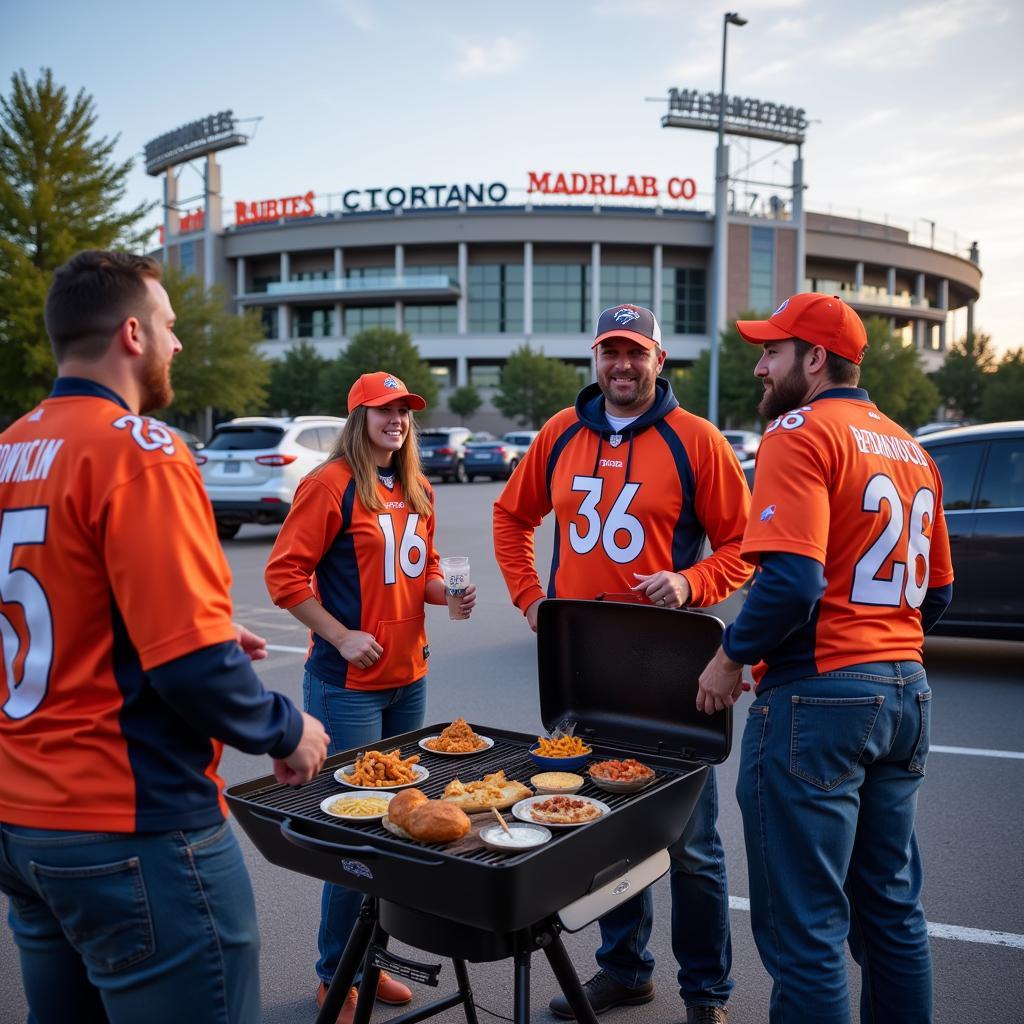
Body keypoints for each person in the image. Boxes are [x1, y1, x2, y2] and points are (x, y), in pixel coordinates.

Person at [0, 250, 329, 1024]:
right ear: (132, 335)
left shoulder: (11, 446)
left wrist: (203, 629)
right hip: (129, 825)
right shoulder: (138, 448)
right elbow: (190, 667)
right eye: (169, 325)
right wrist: (287, 730)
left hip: (23, 823)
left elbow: (72, 610)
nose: (177, 343)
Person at [696, 293, 954, 1024]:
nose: (759, 365)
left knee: (805, 928)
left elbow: (793, 578)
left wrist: (731, 655)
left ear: (814, 359)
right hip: (906, 690)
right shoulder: (914, 448)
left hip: (820, 697)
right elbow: (937, 595)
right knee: (892, 912)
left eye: (771, 351)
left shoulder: (798, 431)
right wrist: (884, 645)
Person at [493, 304, 751, 1024]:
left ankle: (706, 994)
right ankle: (624, 970)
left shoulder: (695, 441)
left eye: (635, 353)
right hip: (586, 670)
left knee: (692, 846)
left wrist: (691, 583)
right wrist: (531, 599)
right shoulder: (558, 433)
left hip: (674, 668)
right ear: (595, 359)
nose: (622, 366)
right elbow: (512, 518)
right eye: (611, 352)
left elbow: (744, 547)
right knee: (602, 829)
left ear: (659, 360)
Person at [265, 370, 477, 1024]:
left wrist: (448, 595)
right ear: (358, 419)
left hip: (409, 678)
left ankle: (371, 960)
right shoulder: (329, 486)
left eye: (405, 411)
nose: (397, 421)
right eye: (384, 411)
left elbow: (424, 568)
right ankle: (336, 971)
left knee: (397, 831)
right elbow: (283, 574)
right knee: (352, 836)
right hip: (346, 687)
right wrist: (339, 633)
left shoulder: (417, 487)